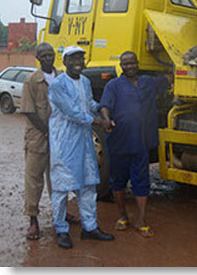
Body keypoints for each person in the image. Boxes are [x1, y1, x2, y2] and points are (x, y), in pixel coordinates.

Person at [48, 45, 114, 249]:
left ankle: (90, 227)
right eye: (73, 58)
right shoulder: (58, 84)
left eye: (81, 58)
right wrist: (100, 123)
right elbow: (72, 112)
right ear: (65, 61)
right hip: (65, 143)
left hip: (85, 143)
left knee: (88, 186)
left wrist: (102, 110)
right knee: (62, 188)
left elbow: (89, 103)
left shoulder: (85, 81)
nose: (78, 62)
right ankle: (61, 229)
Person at [99, 51, 169, 237]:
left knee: (141, 181)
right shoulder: (113, 85)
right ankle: (122, 216)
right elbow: (104, 106)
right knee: (118, 181)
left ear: (137, 64)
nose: (129, 67)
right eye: (126, 64)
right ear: (121, 66)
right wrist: (105, 120)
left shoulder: (147, 82)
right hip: (119, 141)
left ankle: (141, 219)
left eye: (132, 63)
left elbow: (168, 79)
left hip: (140, 142)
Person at [20, 42, 80, 240]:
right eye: (43, 55)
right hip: (38, 138)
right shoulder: (31, 81)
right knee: (34, 179)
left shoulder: (63, 78)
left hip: (59, 138)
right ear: (37, 58)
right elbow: (28, 111)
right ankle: (33, 220)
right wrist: (48, 131)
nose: (48, 58)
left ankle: (60, 214)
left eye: (50, 54)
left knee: (59, 179)